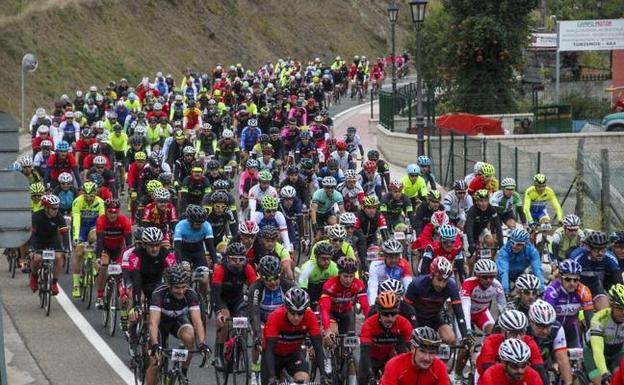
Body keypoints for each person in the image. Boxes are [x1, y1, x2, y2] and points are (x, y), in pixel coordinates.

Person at [145, 266, 209, 385]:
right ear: (169, 285)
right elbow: (153, 322)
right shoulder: (159, 293)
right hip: (161, 323)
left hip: (178, 320)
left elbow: (197, 321)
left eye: (183, 287)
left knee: (190, 336)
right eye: (177, 288)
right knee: (155, 362)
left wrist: (202, 344)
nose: (181, 291)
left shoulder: (190, 294)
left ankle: (183, 373)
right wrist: (155, 345)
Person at [262, 287, 329, 385]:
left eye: (300, 313)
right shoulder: (275, 317)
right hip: (273, 355)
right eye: (292, 313)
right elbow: (269, 350)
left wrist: (323, 375)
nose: (296, 318)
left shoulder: (310, 316)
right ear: (286, 309)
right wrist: (272, 377)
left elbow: (318, 348)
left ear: (305, 311)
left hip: (293, 354)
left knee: (303, 379)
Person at [212, 242, 257, 370]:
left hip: (238, 300)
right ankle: (218, 356)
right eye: (234, 259)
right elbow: (215, 294)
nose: (237, 262)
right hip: (222, 299)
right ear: (227, 258)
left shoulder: (247, 268)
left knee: (242, 324)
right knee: (225, 322)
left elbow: (255, 289)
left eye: (241, 260)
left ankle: (239, 352)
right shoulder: (220, 269)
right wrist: (219, 312)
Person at [248, 255, 296, 374]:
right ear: (261, 278)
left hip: (281, 321)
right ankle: (255, 368)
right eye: (268, 279)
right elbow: (254, 313)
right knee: (257, 340)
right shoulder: (256, 288)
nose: (273, 282)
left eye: (276, 277)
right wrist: (258, 334)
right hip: (262, 320)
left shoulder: (288, 286)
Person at [405, 257, 468, 346]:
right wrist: (415, 329)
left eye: (445, 280)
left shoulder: (451, 286)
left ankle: (438, 359)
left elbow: (459, 312)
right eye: (439, 279)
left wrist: (464, 336)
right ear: (431, 275)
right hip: (415, 318)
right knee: (415, 342)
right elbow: (406, 309)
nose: (442, 285)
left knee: (450, 339)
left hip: (433, 319)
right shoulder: (417, 284)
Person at [477, 309, 548, 385]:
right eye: (514, 333)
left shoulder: (529, 341)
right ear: (503, 332)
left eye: (521, 332)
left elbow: (539, 368)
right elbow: (488, 369)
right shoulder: (491, 341)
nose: (518, 337)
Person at [358, 292, 413, 385]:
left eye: (393, 313)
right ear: (379, 312)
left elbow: (412, 350)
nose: (390, 318)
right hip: (371, 359)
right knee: (364, 379)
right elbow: (365, 353)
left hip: (389, 358)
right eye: (386, 314)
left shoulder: (404, 323)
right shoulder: (369, 324)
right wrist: (370, 376)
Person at [543, 259, 594, 348]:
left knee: (577, 356)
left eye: (575, 280)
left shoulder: (583, 291)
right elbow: (547, 319)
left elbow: (590, 320)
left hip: (571, 327)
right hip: (553, 328)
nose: (572, 283)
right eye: (568, 279)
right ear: (560, 277)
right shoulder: (552, 291)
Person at [94, 199, 132, 309]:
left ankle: (121, 292)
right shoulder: (101, 220)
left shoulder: (124, 221)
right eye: (110, 212)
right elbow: (100, 241)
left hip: (118, 249)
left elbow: (129, 243)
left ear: (118, 212)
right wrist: (98, 258)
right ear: (106, 211)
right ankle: (100, 296)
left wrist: (129, 259)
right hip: (105, 248)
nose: (112, 215)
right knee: (103, 266)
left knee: (123, 269)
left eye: (115, 212)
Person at [571, 230, 623, 311]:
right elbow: (567, 279)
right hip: (576, 287)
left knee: (605, 311)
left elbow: (619, 282)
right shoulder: (577, 257)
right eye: (596, 250)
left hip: (595, 286)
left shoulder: (610, 258)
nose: (600, 253)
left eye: (603, 249)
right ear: (588, 248)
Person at [379, 326, 449, 385]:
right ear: (412, 348)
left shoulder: (440, 367)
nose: (427, 358)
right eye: (422, 351)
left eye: (432, 353)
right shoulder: (394, 365)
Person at [584, 283, 624, 385]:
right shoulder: (599, 319)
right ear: (612, 306)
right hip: (593, 353)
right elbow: (598, 350)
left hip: (616, 352)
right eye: (620, 308)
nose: (623, 313)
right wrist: (604, 373)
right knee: (602, 382)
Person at [29, 194, 69, 295]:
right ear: (46, 208)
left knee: (59, 257)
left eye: (57, 208)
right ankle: (34, 277)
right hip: (38, 240)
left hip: (52, 239)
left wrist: (66, 249)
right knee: (37, 258)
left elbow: (64, 233)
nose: (56, 210)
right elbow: (32, 234)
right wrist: (32, 249)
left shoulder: (59, 216)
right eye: (54, 208)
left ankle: (54, 283)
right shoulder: (36, 216)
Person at [526, 300, 572, 385]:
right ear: (531, 322)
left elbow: (563, 359)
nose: (545, 331)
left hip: (544, 364)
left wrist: (568, 383)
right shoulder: (524, 329)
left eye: (548, 326)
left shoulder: (556, 328)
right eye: (541, 326)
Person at [496, 228, 544, 295]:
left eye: (519, 244)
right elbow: (504, 272)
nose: (514, 246)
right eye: (512, 243)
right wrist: (505, 290)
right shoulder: (504, 251)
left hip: (519, 273)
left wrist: (541, 289)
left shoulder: (532, 251)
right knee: (503, 294)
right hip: (504, 274)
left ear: (526, 244)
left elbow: (537, 270)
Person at [367, 239, 413, 306]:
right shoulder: (375, 265)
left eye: (396, 256)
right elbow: (373, 287)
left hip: (397, 294)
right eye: (391, 257)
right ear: (385, 256)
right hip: (380, 293)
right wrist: (372, 305)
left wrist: (408, 304)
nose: (394, 260)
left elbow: (408, 287)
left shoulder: (404, 264)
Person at [478, 338, 543, 385]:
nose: (520, 371)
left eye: (523, 365)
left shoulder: (534, 376)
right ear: (503, 363)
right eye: (514, 366)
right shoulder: (491, 375)